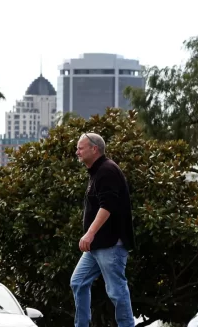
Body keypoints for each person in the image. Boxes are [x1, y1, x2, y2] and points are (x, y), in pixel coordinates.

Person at [70, 133, 136, 327]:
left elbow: (107, 206)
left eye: (80, 148)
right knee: (78, 282)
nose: (77, 152)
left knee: (116, 290)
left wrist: (89, 233)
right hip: (97, 245)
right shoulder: (96, 172)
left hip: (111, 244)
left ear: (94, 149)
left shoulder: (107, 170)